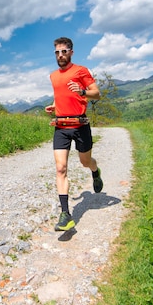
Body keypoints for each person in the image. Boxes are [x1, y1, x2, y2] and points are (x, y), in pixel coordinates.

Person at [45, 36, 103, 231]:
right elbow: (61, 95)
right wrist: (54, 105)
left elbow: (97, 93)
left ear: (71, 52)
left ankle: (95, 171)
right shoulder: (53, 76)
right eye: (57, 52)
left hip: (80, 125)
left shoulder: (80, 71)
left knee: (85, 162)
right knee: (60, 168)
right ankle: (66, 215)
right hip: (61, 126)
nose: (60, 55)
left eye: (63, 51)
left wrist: (82, 91)